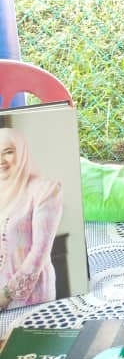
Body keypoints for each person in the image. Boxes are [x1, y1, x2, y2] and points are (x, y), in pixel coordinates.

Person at [0, 127, 63, 310]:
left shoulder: (45, 190)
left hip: (31, 297)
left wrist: (6, 296)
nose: (1, 160)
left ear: (21, 153)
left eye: (8, 152)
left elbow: (40, 251)